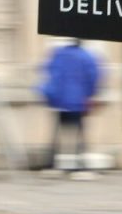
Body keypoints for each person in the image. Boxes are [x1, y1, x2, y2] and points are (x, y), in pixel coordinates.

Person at [37, 39, 103, 178]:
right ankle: (80, 166)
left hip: (60, 100)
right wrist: (90, 94)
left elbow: (47, 70)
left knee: (57, 133)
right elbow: (93, 77)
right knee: (79, 134)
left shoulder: (58, 54)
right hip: (77, 101)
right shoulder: (87, 56)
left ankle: (52, 164)